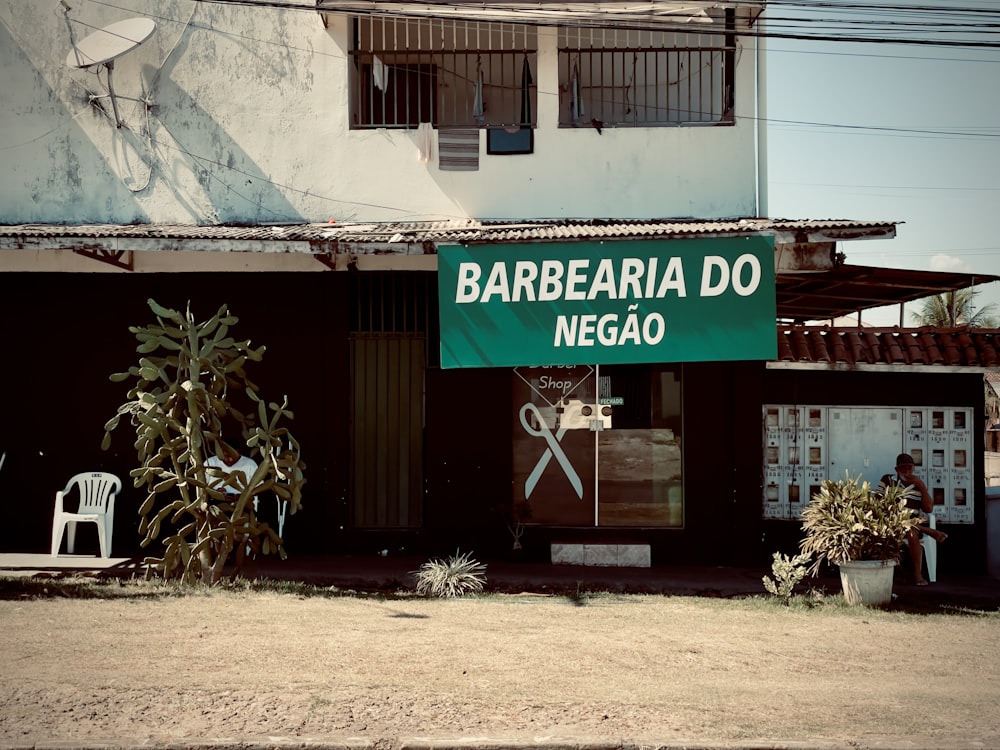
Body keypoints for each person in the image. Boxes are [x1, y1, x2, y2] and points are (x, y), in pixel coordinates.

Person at [879, 453, 948, 586]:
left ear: (914, 468)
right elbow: (878, 502)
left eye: (909, 468)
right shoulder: (888, 480)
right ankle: (930, 532)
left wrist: (921, 486)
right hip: (891, 522)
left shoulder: (917, 484)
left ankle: (917, 574)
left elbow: (929, 509)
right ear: (896, 469)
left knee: (911, 531)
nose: (907, 471)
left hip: (912, 526)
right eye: (903, 468)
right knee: (909, 526)